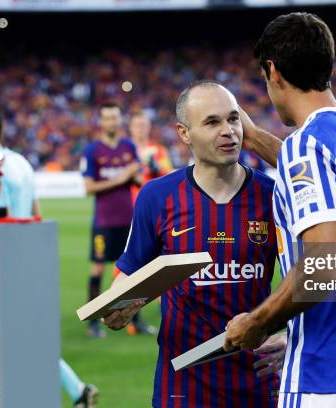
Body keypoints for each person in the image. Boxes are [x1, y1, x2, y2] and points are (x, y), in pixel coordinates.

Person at [223, 13, 336, 407]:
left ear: (273, 71)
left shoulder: (308, 144)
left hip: (326, 374)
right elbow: (322, 177)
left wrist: (258, 322)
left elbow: (323, 263)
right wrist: (254, 139)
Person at [102, 80, 285, 408]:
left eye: (233, 119)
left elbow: (312, 278)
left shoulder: (272, 195)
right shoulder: (157, 197)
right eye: (212, 122)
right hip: (184, 386)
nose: (228, 131)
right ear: (184, 133)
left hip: (259, 381)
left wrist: (289, 333)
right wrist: (116, 308)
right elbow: (128, 275)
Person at [0, 103, 98, 407]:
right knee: (21, 338)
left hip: (0, 264)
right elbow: (35, 213)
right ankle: (77, 390)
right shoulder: (20, 161)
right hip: (26, 260)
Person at [81, 102, 155, 337]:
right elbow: (89, 187)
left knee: (134, 271)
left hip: (128, 219)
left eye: (115, 118)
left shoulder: (129, 147)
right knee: (98, 269)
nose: (112, 122)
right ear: (101, 122)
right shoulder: (92, 151)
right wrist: (123, 176)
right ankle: (93, 323)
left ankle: (136, 319)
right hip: (103, 221)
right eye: (107, 118)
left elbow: (137, 179)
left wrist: (138, 177)